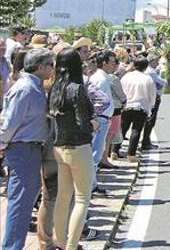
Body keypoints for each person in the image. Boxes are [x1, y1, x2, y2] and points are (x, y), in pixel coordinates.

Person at [0, 48, 52, 249]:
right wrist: (2, 144)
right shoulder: (25, 89)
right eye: (50, 65)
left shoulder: (34, 86)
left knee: (24, 202)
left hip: (30, 149)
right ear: (40, 67)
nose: (52, 69)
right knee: (20, 204)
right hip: (23, 149)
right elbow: (9, 122)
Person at [47, 48, 95, 250]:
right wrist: (94, 125)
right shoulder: (76, 89)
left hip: (59, 146)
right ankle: (72, 245)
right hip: (79, 147)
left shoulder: (54, 87)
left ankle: (60, 241)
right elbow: (83, 123)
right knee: (82, 198)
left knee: (63, 197)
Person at [88, 50, 118, 195]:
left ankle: (93, 182)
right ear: (104, 63)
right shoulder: (100, 78)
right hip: (100, 119)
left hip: (103, 118)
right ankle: (91, 184)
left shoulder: (103, 77)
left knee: (97, 152)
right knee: (95, 152)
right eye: (112, 62)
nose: (115, 65)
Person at [117, 55, 156, 161]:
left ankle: (114, 151)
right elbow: (152, 95)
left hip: (127, 105)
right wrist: (151, 105)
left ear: (134, 65)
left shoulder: (126, 77)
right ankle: (131, 154)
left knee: (122, 129)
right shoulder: (147, 79)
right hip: (141, 107)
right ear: (145, 67)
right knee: (136, 130)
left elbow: (120, 90)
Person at [142, 53, 167, 150]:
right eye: (156, 61)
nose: (158, 63)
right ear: (151, 61)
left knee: (150, 120)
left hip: (153, 96)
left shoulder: (152, 71)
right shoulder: (150, 72)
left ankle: (147, 141)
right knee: (150, 120)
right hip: (153, 97)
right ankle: (146, 142)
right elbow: (163, 82)